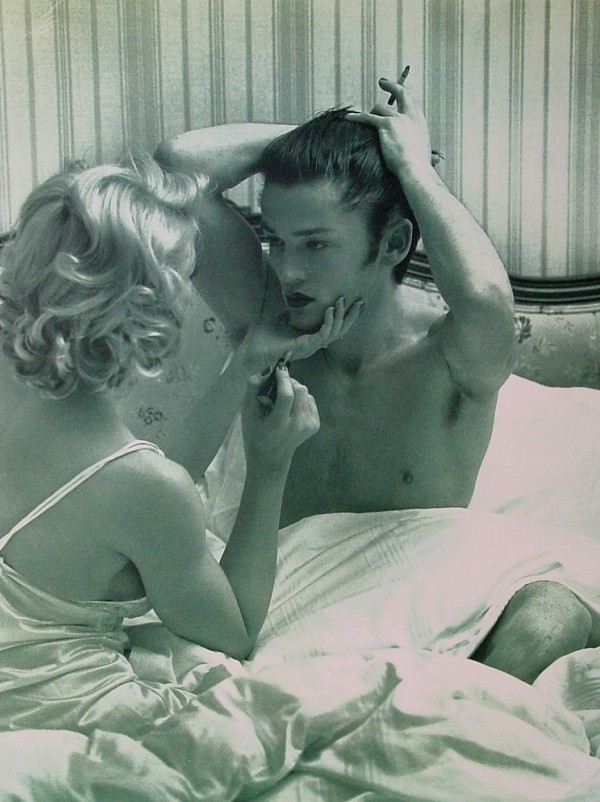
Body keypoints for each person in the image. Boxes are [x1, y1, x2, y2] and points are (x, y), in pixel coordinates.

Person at [153, 77, 594, 684]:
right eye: (278, 240)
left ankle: (454, 713)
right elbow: (176, 167)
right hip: (290, 596)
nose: (288, 269)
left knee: (554, 616)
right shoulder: (268, 320)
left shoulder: (451, 355)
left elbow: (486, 299)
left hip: (428, 595)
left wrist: (412, 168)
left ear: (393, 243)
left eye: (315, 245)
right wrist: (356, 142)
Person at [0, 155, 330, 735]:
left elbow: (114, 492)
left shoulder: (120, 472)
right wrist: (269, 464)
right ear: (143, 306)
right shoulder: (144, 489)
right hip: (59, 718)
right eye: (185, 279)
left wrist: (244, 363)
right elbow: (234, 630)